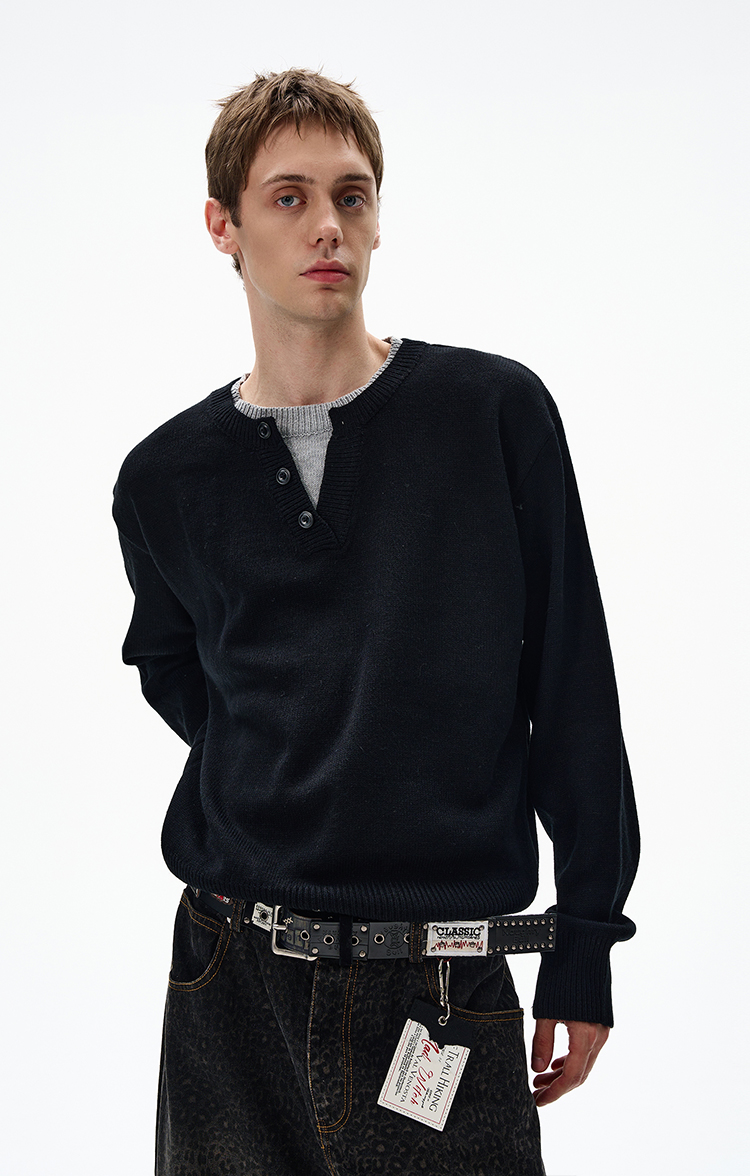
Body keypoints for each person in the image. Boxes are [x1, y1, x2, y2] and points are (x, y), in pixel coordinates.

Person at [113, 68, 639, 1176]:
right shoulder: (164, 478)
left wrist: (585, 940)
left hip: (439, 986)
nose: (328, 227)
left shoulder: (494, 415)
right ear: (223, 225)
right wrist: (291, 761)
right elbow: (172, 663)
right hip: (228, 977)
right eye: (289, 197)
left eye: (352, 197)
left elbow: (572, 687)